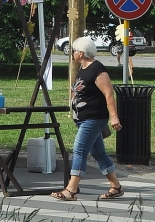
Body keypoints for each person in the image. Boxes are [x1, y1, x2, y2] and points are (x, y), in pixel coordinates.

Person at [51, 36, 123, 201]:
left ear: (81, 53)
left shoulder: (98, 69)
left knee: (79, 149)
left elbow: (108, 93)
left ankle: (71, 189)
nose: (73, 53)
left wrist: (114, 117)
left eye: (74, 50)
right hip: (83, 118)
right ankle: (116, 186)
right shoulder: (83, 69)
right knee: (98, 153)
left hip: (94, 118)